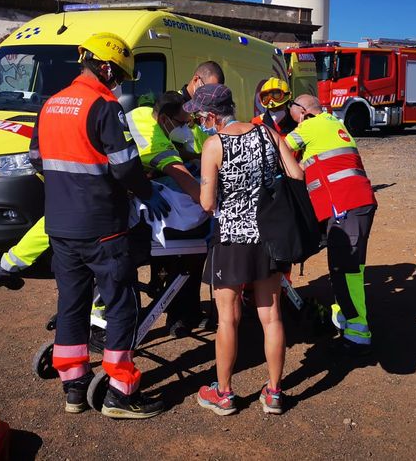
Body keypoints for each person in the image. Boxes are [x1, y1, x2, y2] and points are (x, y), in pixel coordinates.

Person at [31, 32, 170, 419]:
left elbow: (36, 160)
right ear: (106, 66)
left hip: (60, 225)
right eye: (119, 75)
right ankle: (121, 393)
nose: (119, 83)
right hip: (102, 226)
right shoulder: (104, 106)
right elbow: (125, 165)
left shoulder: (51, 104)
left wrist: (68, 188)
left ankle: (74, 388)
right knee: (121, 304)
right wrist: (145, 193)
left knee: (72, 304)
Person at [187, 83, 302, 416]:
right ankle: (275, 393)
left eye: (200, 117)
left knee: (228, 319)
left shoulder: (214, 145)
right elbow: (296, 173)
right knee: (271, 316)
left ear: (211, 115)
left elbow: (208, 203)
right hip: (269, 238)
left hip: (233, 239)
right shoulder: (266, 132)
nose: (199, 122)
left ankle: (223, 394)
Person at [285, 94, 378, 355]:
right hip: (354, 203)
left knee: (347, 268)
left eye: (295, 117)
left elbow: (280, 148)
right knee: (346, 266)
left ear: (303, 112)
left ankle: (358, 333)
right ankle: (346, 319)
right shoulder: (333, 124)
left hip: (344, 205)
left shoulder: (310, 125)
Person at [126, 91, 207, 336]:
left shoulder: (139, 115)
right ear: (165, 119)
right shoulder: (157, 145)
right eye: (182, 123)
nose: (186, 127)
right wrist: (212, 203)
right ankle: (175, 314)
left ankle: (181, 313)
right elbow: (188, 185)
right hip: (132, 210)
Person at [175, 60, 225, 157]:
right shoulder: (174, 105)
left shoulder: (209, 114)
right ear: (195, 80)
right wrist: (201, 158)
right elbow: (173, 151)